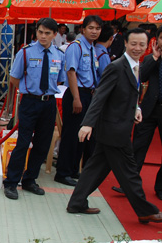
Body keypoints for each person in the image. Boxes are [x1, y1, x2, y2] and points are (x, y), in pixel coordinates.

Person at [66, 28, 162, 224]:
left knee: (95, 168)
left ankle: (76, 202)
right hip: (114, 130)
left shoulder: (136, 65)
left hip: (117, 127)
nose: (137, 48)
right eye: (133, 44)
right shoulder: (116, 67)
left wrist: (136, 109)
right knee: (130, 173)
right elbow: (100, 96)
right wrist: (88, 124)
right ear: (125, 43)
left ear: (147, 46)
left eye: (141, 45)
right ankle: (145, 211)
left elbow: (130, 93)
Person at [3, 18, 65, 200]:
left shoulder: (59, 55)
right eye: (40, 32)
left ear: (55, 35)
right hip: (30, 102)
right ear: (36, 32)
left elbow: (60, 79)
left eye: (47, 33)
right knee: (23, 142)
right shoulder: (26, 52)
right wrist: (28, 89)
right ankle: (11, 182)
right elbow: (14, 78)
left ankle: (30, 180)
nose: (43, 36)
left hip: (49, 103)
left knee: (42, 143)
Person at [113, 26, 162, 201]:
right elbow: (141, 77)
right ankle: (128, 184)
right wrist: (155, 58)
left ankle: (160, 187)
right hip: (149, 109)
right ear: (157, 40)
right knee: (138, 148)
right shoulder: (149, 58)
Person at [54, 16, 102, 187]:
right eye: (91, 28)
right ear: (83, 29)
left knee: (82, 136)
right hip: (77, 94)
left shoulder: (92, 48)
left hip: (88, 94)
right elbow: (71, 72)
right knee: (71, 135)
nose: (94, 31)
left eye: (97, 28)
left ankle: (74, 169)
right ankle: (63, 172)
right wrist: (76, 98)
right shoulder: (76, 47)